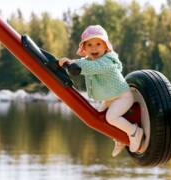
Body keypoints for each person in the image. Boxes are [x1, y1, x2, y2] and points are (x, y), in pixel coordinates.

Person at [58, 25, 143, 157]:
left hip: (123, 97)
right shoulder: (87, 61)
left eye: (98, 44)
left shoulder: (107, 61)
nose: (94, 48)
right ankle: (119, 137)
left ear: (106, 46)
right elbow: (82, 63)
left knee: (111, 117)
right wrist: (69, 63)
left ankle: (134, 132)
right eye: (90, 45)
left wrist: (72, 64)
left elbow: (93, 67)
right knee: (100, 117)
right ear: (84, 49)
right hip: (110, 99)